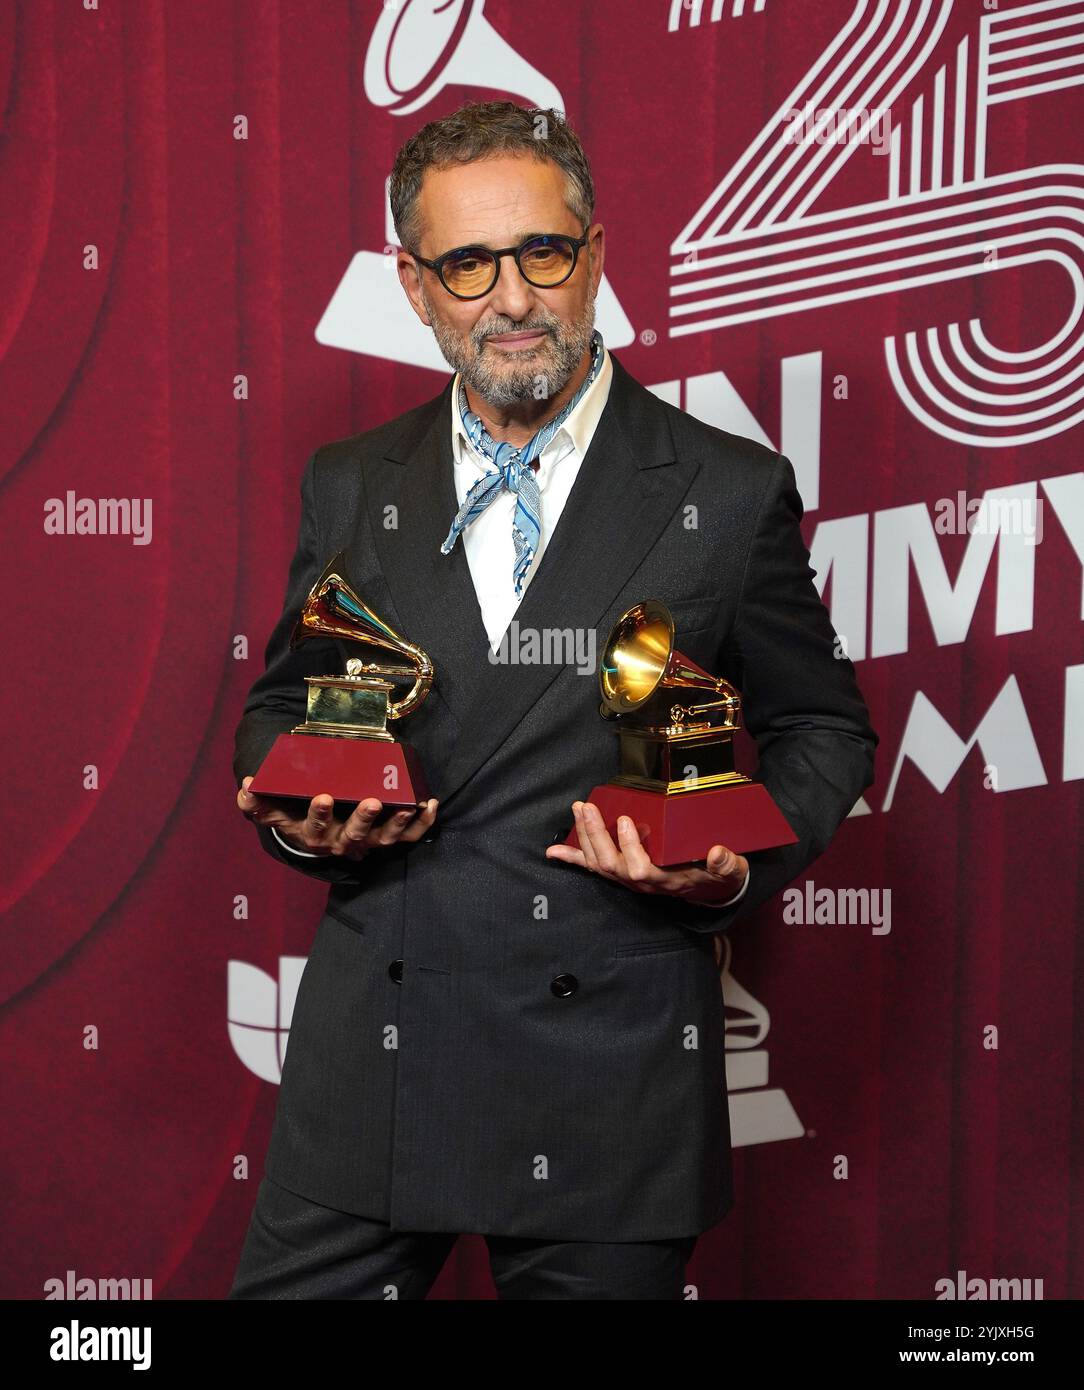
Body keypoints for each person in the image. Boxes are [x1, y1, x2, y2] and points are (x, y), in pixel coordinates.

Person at [227, 101, 877, 1301]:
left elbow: (823, 727)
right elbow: (283, 712)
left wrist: (727, 865)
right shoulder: (350, 481)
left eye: (543, 252)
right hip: (377, 1057)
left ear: (596, 258)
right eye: (467, 264)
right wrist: (298, 814)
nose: (511, 298)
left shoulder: (726, 492)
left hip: (607, 1077)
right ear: (416, 290)